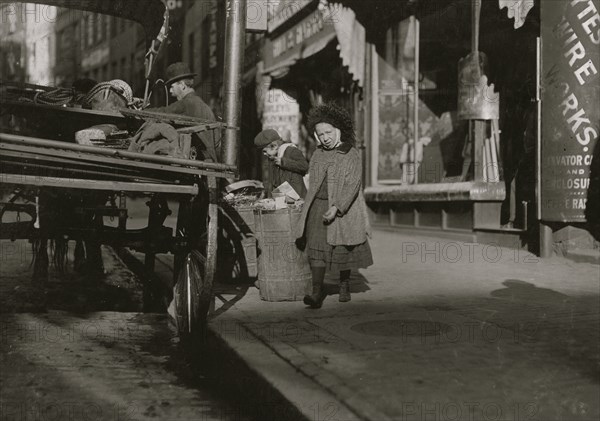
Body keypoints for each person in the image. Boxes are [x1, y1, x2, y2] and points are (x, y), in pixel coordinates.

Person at [295, 103, 373, 308]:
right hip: (318, 207)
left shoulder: (350, 154)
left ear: (338, 131)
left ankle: (344, 283)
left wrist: (338, 207)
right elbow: (312, 182)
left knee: (342, 248)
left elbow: (353, 184)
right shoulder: (318, 154)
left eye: (328, 132)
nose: (325, 137)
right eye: (320, 134)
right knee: (317, 249)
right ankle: (316, 291)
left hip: (342, 210)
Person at [254, 129, 308, 199]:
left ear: (274, 146)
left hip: (297, 198)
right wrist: (268, 196)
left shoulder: (291, 150)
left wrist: (283, 162)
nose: (264, 154)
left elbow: (304, 166)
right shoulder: (273, 157)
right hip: (283, 198)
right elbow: (272, 181)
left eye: (265, 151)